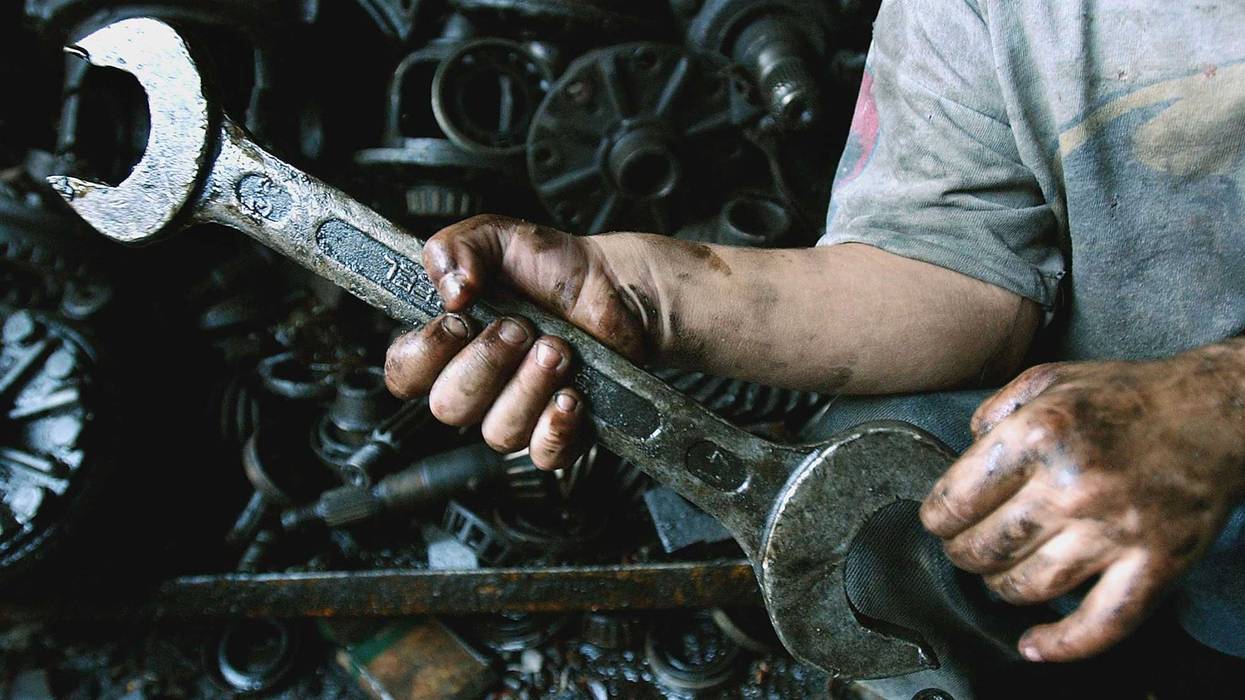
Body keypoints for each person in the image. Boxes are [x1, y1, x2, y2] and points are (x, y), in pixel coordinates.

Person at [382, 0, 1245, 671]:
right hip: (1127, 550)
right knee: (883, 492)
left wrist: (1219, 406)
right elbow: (954, 274)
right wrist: (640, 295)